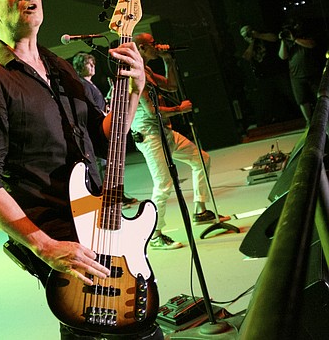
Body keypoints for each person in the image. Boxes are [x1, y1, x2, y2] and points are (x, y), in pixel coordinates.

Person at [0, 0, 160, 340]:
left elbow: (106, 139)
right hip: (67, 249)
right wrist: (45, 246)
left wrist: (133, 92)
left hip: (105, 226)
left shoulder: (61, 68)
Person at [129, 33, 224, 251]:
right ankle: (155, 234)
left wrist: (168, 60)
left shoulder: (148, 70)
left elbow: (171, 86)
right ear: (142, 48)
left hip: (165, 131)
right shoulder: (135, 75)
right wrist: (179, 110)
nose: (157, 46)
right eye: (153, 45)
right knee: (163, 184)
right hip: (150, 135)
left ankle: (200, 210)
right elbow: (152, 112)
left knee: (201, 158)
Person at [71, 52, 137, 206]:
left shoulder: (89, 84)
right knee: (104, 166)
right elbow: (90, 108)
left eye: (93, 63)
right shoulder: (82, 84)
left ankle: (116, 195)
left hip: (101, 125)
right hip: (97, 130)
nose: (93, 66)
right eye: (89, 63)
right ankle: (109, 197)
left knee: (108, 165)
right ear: (80, 66)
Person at [239, 25, 296, 126]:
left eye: (249, 32)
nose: (248, 35)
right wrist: (252, 41)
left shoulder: (262, 35)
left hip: (277, 71)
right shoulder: (246, 45)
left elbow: (274, 38)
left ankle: (299, 112)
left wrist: (258, 36)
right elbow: (246, 57)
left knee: (290, 92)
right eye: (245, 35)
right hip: (263, 77)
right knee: (268, 99)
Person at [277, 17, 325, 122]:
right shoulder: (287, 41)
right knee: (302, 100)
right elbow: (283, 56)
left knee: (321, 97)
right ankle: (309, 121)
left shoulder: (305, 35)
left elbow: (311, 44)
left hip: (312, 72)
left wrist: (295, 39)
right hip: (296, 75)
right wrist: (283, 41)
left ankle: (324, 118)